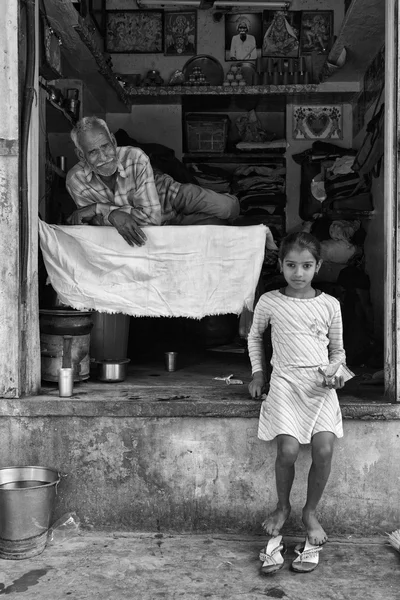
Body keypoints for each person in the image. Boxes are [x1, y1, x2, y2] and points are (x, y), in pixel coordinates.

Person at [247, 232, 350, 575]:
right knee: (288, 451)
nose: (298, 273)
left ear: (318, 266)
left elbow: (337, 351)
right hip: (285, 383)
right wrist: (259, 373)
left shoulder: (330, 304)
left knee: (323, 450)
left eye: (306, 266)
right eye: (291, 265)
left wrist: (337, 374)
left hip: (319, 387)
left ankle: (310, 512)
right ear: (281, 265)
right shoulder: (270, 301)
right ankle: (282, 508)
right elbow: (253, 336)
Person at [66, 117, 239, 246]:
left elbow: (149, 218)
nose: (104, 157)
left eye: (105, 147)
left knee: (227, 208)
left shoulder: (135, 156)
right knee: (221, 229)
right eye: (93, 152)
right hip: (161, 225)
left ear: (113, 140)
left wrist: (103, 210)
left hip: (168, 195)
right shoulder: (77, 181)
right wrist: (112, 216)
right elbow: (96, 226)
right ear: (81, 155)